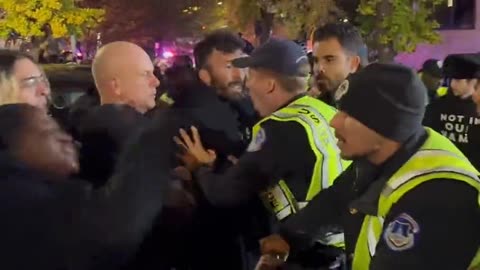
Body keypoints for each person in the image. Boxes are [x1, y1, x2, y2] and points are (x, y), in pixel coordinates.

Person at [259, 63, 480, 270]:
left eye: (349, 115)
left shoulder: (439, 198)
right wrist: (289, 236)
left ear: (385, 127)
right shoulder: (385, 154)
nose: (334, 122)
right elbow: (336, 199)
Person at [177, 39, 349, 267]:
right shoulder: (324, 110)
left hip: (309, 253)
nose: (247, 85)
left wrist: (201, 166)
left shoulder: (279, 127)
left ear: (269, 85)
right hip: (342, 246)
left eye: (252, 76)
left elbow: (225, 194)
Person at [0, 103, 175, 270]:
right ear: (8, 145)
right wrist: (158, 137)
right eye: (49, 130)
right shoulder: (16, 200)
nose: (66, 138)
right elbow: (113, 229)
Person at [74, 41, 157, 186]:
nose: (156, 82)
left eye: (153, 73)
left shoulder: (79, 132)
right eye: (145, 74)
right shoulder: (141, 138)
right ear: (116, 86)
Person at [194, 30, 259, 143]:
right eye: (229, 67)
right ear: (205, 76)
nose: (239, 75)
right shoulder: (194, 122)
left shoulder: (255, 105)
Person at [423, 53, 480, 169]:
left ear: (473, 82)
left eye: (458, 81)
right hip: (440, 172)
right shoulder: (435, 107)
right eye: (451, 79)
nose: (453, 84)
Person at [311, 22, 367, 107]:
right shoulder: (313, 105)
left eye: (329, 60)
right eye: (316, 60)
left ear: (353, 63)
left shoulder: (370, 110)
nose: (319, 68)